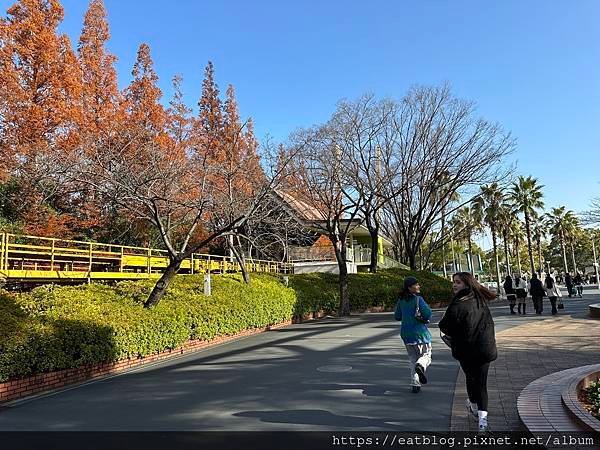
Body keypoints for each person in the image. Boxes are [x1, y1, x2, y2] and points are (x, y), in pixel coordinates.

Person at [439, 272, 497, 433]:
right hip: (485, 348)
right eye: (453, 282)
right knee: (481, 384)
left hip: (466, 350)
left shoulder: (458, 304)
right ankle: (482, 424)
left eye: (457, 282)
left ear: (466, 284)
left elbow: (444, 326)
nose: (454, 285)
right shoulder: (480, 299)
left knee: (471, 379)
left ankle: (472, 405)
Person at [394, 276, 432, 394]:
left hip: (406, 334)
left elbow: (397, 316)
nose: (418, 286)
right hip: (420, 333)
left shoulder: (401, 300)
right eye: (416, 285)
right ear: (410, 287)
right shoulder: (418, 299)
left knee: (412, 359)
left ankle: (415, 383)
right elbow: (428, 314)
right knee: (426, 356)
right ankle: (421, 366)